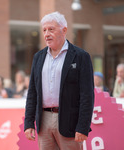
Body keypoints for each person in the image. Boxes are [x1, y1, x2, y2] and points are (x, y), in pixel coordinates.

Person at [24, 11, 94, 150]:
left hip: (69, 122)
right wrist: (29, 123)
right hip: (43, 121)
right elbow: (32, 92)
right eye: (44, 30)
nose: (47, 34)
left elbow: (87, 95)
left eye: (51, 29)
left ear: (64, 30)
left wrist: (83, 126)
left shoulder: (81, 56)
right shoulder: (38, 57)